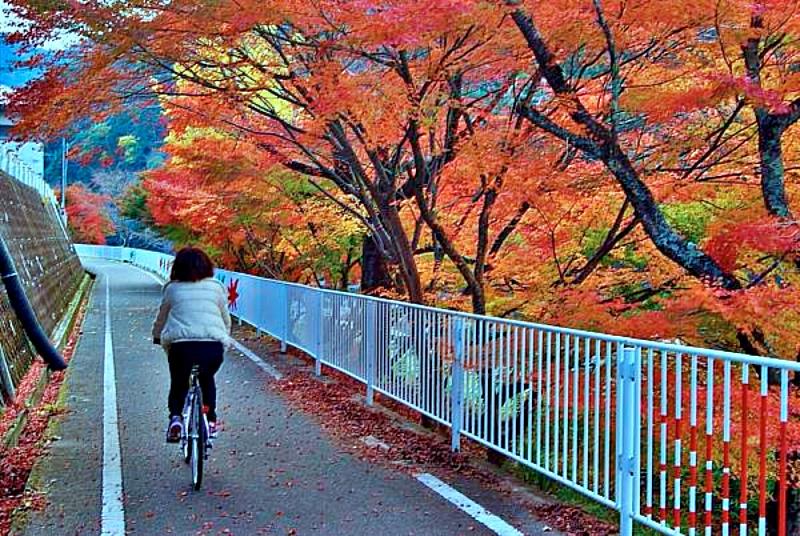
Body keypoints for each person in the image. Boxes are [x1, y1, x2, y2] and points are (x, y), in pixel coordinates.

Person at [152, 247, 231, 442]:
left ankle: (176, 418)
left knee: (179, 381)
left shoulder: (172, 289)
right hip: (212, 346)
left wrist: (156, 335)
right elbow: (225, 319)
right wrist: (224, 336)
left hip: (181, 347)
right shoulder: (217, 287)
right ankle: (210, 420)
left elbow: (162, 318)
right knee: (207, 378)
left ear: (177, 267)